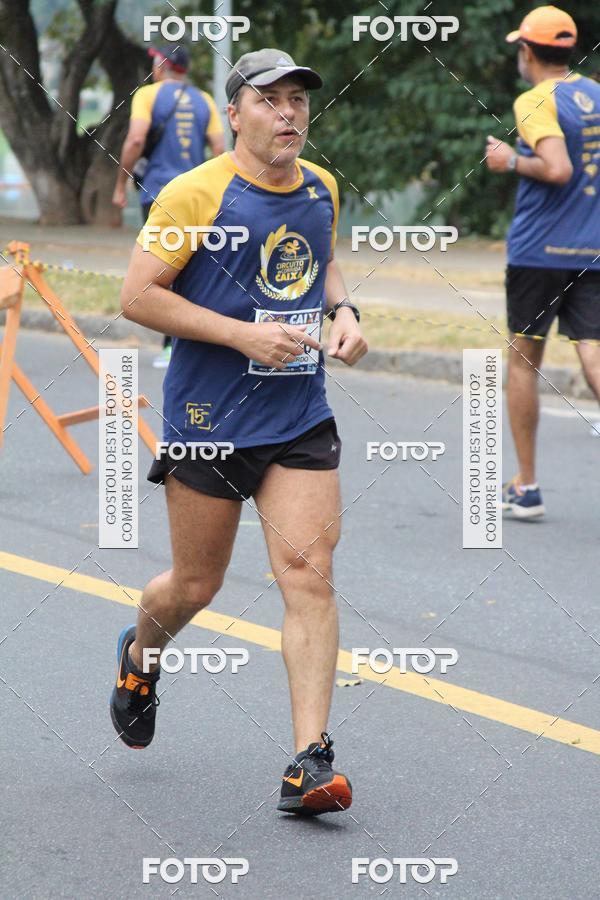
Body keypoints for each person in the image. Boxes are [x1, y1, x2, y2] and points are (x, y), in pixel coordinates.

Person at [110, 48, 368, 816]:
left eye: (298, 100)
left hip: (298, 413)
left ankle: (310, 762)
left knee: (309, 574)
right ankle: (139, 655)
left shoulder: (320, 186)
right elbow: (136, 297)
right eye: (271, 100)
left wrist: (344, 312)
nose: (289, 113)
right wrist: (239, 335)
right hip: (208, 420)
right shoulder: (194, 195)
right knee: (196, 584)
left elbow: (322, 265)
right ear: (235, 113)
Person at [486, 5, 600, 520]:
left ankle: (527, 486)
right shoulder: (597, 94)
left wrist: (509, 160)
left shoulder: (534, 99)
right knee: (594, 357)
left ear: (528, 51)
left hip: (538, 253)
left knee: (523, 361)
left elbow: (556, 168)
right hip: (592, 249)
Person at [112, 46, 225, 368]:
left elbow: (135, 140)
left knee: (158, 274)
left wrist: (120, 184)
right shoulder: (204, 99)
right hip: (198, 198)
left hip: (159, 194)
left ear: (162, 65)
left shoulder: (147, 95)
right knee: (191, 269)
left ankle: (172, 347)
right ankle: (185, 345)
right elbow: (219, 147)